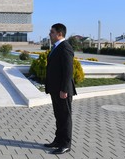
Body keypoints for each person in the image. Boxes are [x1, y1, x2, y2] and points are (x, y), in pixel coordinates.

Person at [44, 23, 77, 154]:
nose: (49, 34)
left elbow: (68, 71)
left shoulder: (65, 47)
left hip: (63, 91)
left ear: (59, 34)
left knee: (65, 117)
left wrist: (64, 89)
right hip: (56, 90)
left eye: (51, 32)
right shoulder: (57, 47)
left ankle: (66, 144)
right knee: (59, 116)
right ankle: (58, 140)